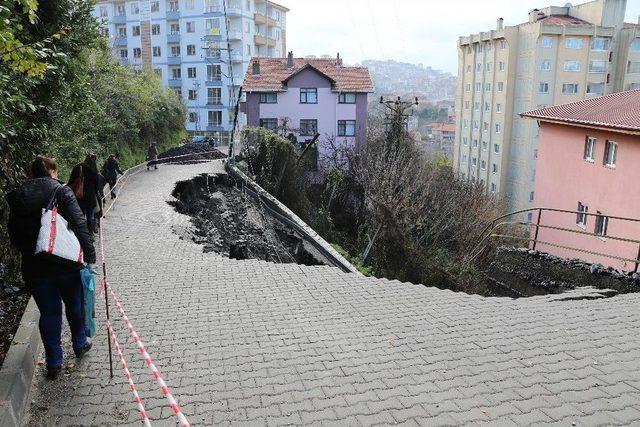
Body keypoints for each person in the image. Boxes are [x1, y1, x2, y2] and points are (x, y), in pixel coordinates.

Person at [7, 156, 96, 379]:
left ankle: (54, 363)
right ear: (52, 172)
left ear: (31, 173)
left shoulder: (17, 197)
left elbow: (14, 236)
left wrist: (32, 250)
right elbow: (79, 223)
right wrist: (90, 254)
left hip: (35, 267)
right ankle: (79, 343)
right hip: (65, 262)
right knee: (74, 305)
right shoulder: (61, 192)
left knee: (49, 312)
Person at [73, 154, 103, 233]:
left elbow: (71, 182)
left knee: (81, 215)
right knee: (90, 215)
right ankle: (91, 232)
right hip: (90, 197)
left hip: (79, 196)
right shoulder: (93, 170)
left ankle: (82, 233)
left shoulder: (77, 167)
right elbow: (97, 187)